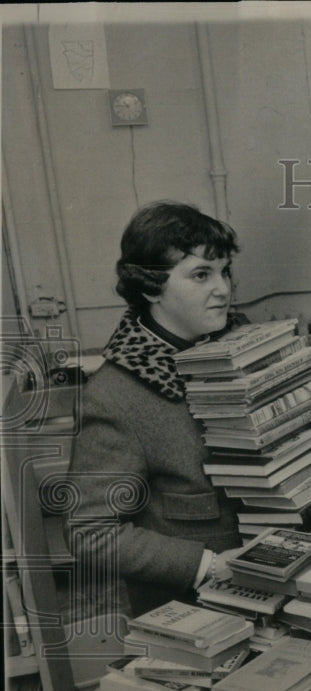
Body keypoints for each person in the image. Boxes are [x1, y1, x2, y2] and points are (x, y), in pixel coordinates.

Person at [67, 202, 245, 617]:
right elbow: (90, 534)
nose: (222, 289)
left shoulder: (241, 345)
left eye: (224, 271)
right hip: (197, 612)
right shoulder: (114, 395)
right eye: (201, 275)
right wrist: (208, 566)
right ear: (149, 288)